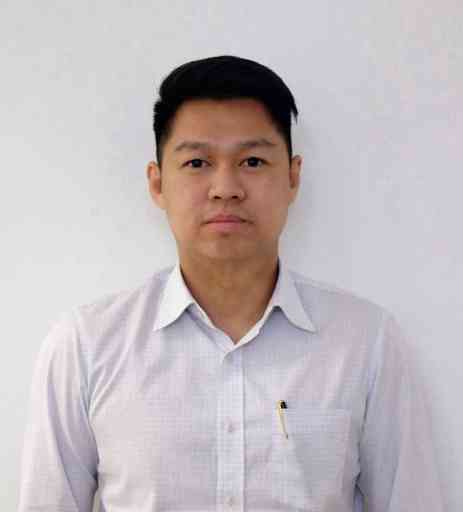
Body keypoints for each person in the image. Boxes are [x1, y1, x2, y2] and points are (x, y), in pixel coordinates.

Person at [18, 55, 444, 512]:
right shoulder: (86, 346)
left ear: (293, 177)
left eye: (253, 161)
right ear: (158, 184)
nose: (225, 187)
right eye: (197, 162)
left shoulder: (365, 341)